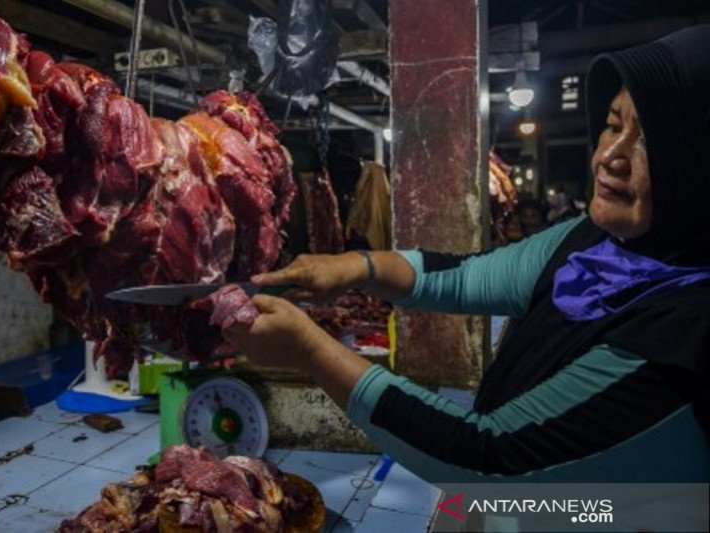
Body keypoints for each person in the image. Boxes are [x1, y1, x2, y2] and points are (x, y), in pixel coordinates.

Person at [225, 26, 710, 485]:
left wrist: (309, 350)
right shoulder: (594, 241)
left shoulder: (682, 334)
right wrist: (352, 267)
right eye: (611, 125)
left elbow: (487, 457)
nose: (610, 156)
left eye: (649, 140)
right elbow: (462, 277)